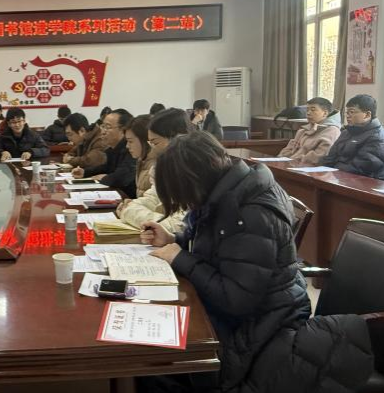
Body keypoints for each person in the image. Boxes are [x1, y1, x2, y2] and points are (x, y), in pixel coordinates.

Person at [138, 130, 372, 393]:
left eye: (186, 194)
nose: (188, 204)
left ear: (199, 179)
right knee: (154, 353)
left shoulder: (250, 213)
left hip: (264, 322)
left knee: (156, 363)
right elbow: (223, 250)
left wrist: (181, 258)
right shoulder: (226, 192)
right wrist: (176, 240)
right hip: (251, 309)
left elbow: (236, 299)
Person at [116, 108, 192, 233]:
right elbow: (151, 199)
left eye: (155, 143)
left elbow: (180, 226)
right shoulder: (163, 168)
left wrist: (129, 213)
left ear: (178, 138)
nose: (153, 149)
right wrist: (131, 210)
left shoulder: (192, 171)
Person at [72, 109, 135, 196]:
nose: (103, 132)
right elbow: (106, 167)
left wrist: (106, 178)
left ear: (123, 130)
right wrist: (85, 172)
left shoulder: (131, 149)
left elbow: (122, 176)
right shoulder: (112, 149)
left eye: (107, 127)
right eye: (103, 126)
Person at [321, 94, 384, 179]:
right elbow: (329, 158)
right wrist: (321, 171)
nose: (347, 116)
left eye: (352, 112)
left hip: (360, 181)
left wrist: (332, 175)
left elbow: (359, 168)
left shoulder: (377, 137)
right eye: (347, 112)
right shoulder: (345, 132)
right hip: (338, 177)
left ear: (367, 115)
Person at [278, 97, 341, 164]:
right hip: (291, 165)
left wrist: (292, 160)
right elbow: (287, 150)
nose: (308, 113)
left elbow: (318, 157)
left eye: (313, 110)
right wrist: (281, 160)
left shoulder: (332, 131)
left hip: (308, 167)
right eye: (307, 110)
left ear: (325, 113)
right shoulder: (303, 130)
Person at [122, 115, 155, 197]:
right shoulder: (142, 161)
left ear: (144, 140)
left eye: (130, 141)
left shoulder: (156, 166)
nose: (127, 146)